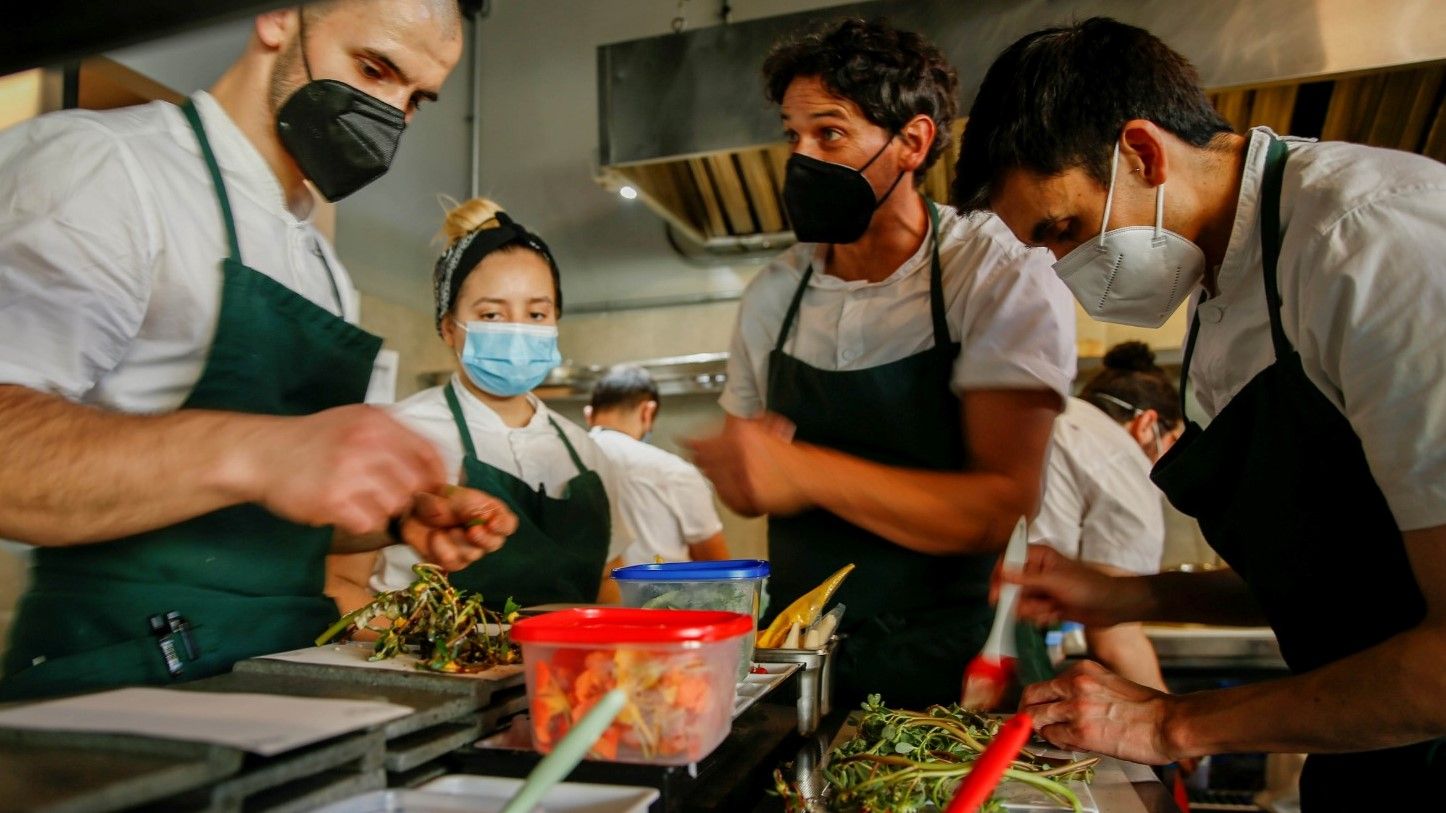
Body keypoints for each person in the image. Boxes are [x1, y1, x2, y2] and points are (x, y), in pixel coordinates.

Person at [953, 17, 1446, 807]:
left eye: (1064, 229)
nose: (1067, 271)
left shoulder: (1373, 242)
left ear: (1142, 154)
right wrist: (1138, 595)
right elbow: (1347, 574)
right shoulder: (1222, 292)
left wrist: (1169, 726)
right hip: (1370, 755)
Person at [0, 1, 517, 702]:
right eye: (374, 68)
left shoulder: (319, 263)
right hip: (119, 678)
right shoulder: (107, 166)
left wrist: (394, 517)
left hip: (283, 678)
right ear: (278, 17)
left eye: (417, 98)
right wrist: (257, 450)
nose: (391, 113)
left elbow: (271, 515)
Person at [687, 19, 1076, 709]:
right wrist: (744, 475)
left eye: (829, 134)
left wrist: (805, 470)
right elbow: (750, 490)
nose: (800, 157)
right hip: (800, 661)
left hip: (951, 671)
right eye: (791, 135)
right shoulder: (775, 294)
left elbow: (998, 505)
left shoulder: (990, 272)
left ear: (913, 142)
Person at [329, 198, 634, 613]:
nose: (517, 330)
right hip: (428, 668)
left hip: (563, 672)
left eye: (536, 313)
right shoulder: (396, 434)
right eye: (491, 314)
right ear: (449, 328)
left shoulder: (586, 454)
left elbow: (605, 584)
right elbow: (341, 583)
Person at [1031, 341, 1184, 691]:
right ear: (1147, 424)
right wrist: (1177, 737)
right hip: (999, 627)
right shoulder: (1122, 460)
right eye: (1174, 441)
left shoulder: (1053, 414)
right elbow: (1116, 638)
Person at [584, 364, 730, 565]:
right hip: (666, 595)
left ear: (589, 415)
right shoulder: (674, 471)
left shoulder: (560, 462)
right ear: (647, 411)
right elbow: (717, 567)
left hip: (579, 596)